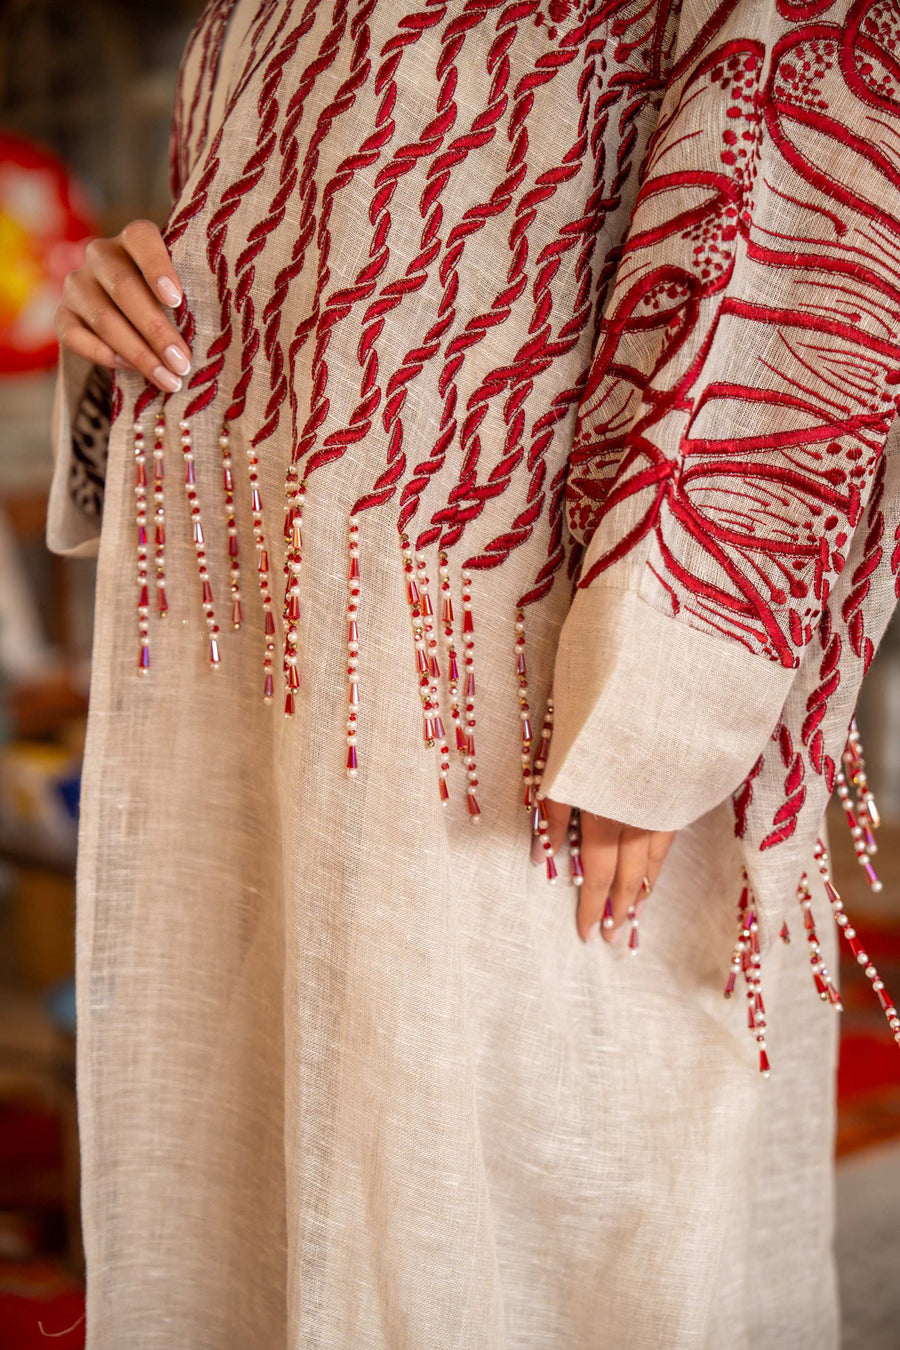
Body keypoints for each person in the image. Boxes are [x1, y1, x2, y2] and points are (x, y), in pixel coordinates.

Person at [45, 0, 900, 1344]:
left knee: (554, 1223)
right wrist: (136, 306)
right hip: (268, 673)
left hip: (546, 687)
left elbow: (805, 212)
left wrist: (674, 690)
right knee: (263, 1202)